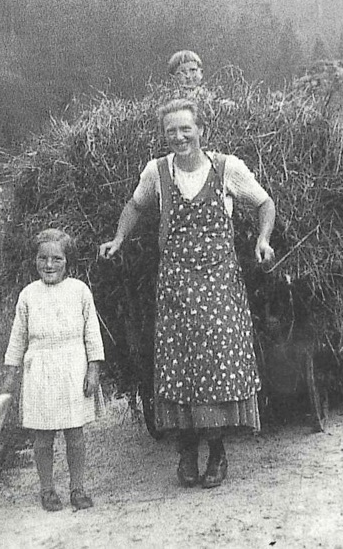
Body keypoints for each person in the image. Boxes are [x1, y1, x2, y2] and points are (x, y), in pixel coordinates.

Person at [98, 97, 276, 489]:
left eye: (185, 129)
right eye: (171, 131)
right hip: (176, 285)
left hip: (219, 284)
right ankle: (186, 452)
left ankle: (217, 452)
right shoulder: (157, 171)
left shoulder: (228, 168)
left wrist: (262, 239)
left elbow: (265, 203)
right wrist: (119, 238)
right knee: (178, 367)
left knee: (216, 364)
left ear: (201, 130)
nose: (179, 137)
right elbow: (135, 205)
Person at [0, 228, 105, 511]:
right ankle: (47, 490)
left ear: (67, 261)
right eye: (43, 258)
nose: (49, 265)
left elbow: (92, 333)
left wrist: (93, 369)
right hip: (40, 372)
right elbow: (18, 338)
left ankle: (77, 488)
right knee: (43, 436)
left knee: (74, 434)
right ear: (34, 260)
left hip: (72, 369)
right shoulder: (28, 295)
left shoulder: (79, 291)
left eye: (56, 259)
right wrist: (10, 376)